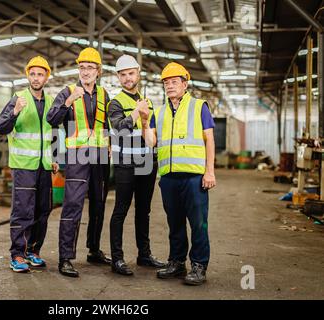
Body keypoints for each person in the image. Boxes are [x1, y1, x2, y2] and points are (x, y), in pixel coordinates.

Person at [142, 62, 216, 285]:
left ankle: (199, 265)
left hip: (194, 177)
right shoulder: (160, 112)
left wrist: (209, 171)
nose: (170, 86)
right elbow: (151, 143)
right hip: (169, 178)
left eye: (174, 82)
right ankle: (176, 262)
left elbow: (209, 139)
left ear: (185, 84)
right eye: (166, 82)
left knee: (198, 223)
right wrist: (145, 121)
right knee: (174, 223)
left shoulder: (199, 106)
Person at [47, 47, 111, 278]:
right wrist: (67, 103)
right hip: (77, 156)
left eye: (90, 68)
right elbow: (51, 119)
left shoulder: (104, 94)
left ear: (98, 71)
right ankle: (65, 258)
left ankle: (94, 249)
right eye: (82, 67)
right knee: (73, 206)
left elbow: (108, 125)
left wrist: (112, 144)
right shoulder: (67, 92)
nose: (85, 71)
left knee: (98, 204)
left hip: (101, 157)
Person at [0, 56, 58, 273]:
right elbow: (1, 127)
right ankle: (18, 254)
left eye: (40, 74)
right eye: (32, 74)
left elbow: (54, 133)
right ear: (27, 75)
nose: (36, 78)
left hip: (43, 166)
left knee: (43, 210)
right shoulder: (18, 98)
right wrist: (14, 112)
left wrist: (54, 159)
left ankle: (33, 250)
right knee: (23, 210)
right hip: (23, 165)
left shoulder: (51, 102)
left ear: (46, 77)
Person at [107, 55, 165, 276]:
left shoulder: (147, 102)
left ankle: (144, 255)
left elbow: (150, 136)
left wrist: (144, 118)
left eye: (130, 73)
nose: (127, 78)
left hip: (146, 163)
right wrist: (136, 112)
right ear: (118, 77)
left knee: (144, 211)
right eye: (122, 74)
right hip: (125, 165)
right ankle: (117, 259)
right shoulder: (116, 103)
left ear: (138, 73)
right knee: (120, 211)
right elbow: (120, 130)